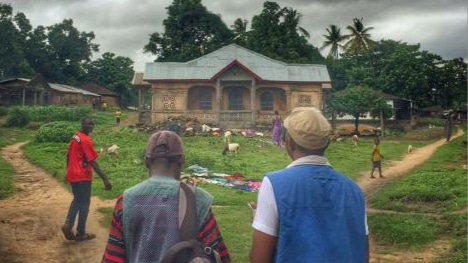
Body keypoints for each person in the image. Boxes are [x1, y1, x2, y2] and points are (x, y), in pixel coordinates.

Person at [250, 107, 368, 263]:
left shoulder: (274, 185)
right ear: (327, 144)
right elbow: (362, 251)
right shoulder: (354, 190)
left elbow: (259, 258)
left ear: (289, 143)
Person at [102, 130, 231, 263]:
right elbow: (217, 254)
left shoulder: (126, 201)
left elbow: (113, 257)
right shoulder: (198, 200)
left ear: (146, 162)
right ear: (182, 161)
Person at [62, 117, 112, 242]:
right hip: (82, 175)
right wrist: (105, 179)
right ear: (82, 124)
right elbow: (93, 162)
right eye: (89, 124)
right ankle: (80, 232)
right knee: (84, 203)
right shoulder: (85, 140)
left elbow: (68, 155)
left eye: (93, 124)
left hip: (74, 174)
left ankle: (69, 225)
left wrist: (68, 171)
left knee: (77, 200)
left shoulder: (75, 137)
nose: (91, 126)